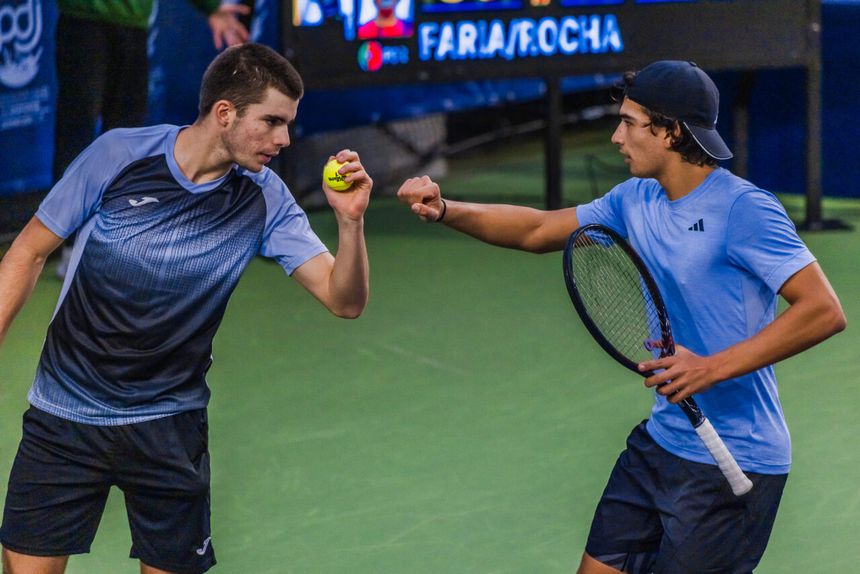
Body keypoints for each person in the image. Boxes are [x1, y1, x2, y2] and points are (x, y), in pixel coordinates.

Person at [397, 60, 846, 573]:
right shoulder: (635, 199)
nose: (616, 136)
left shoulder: (745, 209)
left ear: (671, 132)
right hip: (661, 443)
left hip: (735, 457)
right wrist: (446, 208)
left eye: (630, 122)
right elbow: (538, 231)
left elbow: (823, 311)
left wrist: (710, 368)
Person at [0, 43, 371, 574]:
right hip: (64, 417)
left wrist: (351, 223)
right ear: (225, 113)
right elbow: (29, 251)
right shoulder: (119, 156)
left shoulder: (265, 199)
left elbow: (345, 299)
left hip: (169, 428)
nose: (284, 139)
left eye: (288, 124)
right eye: (271, 121)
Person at [53, 0, 251, 279]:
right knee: (77, 135)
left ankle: (117, 242)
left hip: (134, 27)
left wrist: (211, 7)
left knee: (126, 143)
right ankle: (70, 246)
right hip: (84, 21)